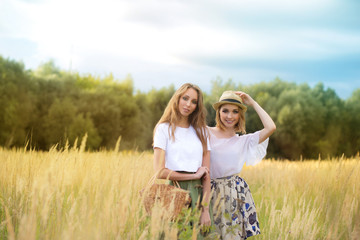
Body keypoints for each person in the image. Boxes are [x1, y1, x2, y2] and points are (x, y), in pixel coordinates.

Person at [209, 90, 276, 240]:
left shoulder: (244, 141)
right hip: (210, 192)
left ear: (240, 115)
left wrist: (252, 103)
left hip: (233, 194)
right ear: (219, 112)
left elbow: (271, 127)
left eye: (235, 112)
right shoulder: (206, 132)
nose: (229, 116)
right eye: (225, 110)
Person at [153, 83, 212, 237]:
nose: (188, 104)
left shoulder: (202, 131)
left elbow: (206, 175)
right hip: (174, 192)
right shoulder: (163, 129)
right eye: (185, 98)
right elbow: (159, 172)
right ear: (177, 98)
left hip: (198, 194)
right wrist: (192, 176)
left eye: (194, 102)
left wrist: (205, 210)